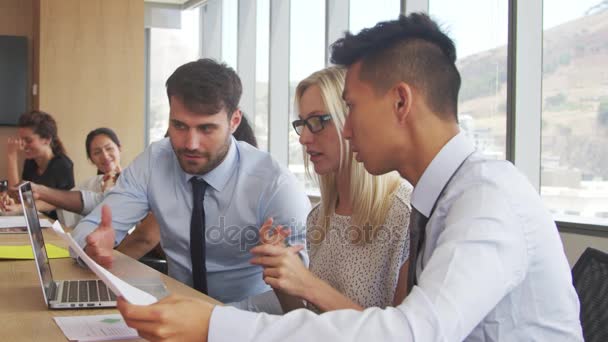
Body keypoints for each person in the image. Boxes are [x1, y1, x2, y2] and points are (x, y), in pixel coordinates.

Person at [117, 13, 583, 342]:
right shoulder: (440, 199)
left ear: (401, 102)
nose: (345, 128)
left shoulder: (486, 199)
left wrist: (216, 327)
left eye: (352, 108)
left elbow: (411, 333)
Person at [72, 58, 310, 303]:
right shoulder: (155, 161)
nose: (190, 144)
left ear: (234, 121)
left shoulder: (274, 184)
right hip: (175, 309)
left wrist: (215, 321)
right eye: (179, 126)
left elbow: (299, 296)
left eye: (206, 129)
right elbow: (90, 230)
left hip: (248, 321)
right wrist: (90, 247)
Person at [239, 66, 411, 314]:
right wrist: (282, 277)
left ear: (352, 120)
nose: (304, 138)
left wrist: (308, 284)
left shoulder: (403, 215)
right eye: (303, 123)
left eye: (318, 121)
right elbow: (307, 319)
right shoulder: (319, 217)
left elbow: (401, 335)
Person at [6, 110, 74, 219]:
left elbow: (57, 202)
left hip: (58, 224)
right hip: (37, 220)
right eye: (21, 140)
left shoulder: (63, 164)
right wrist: (11, 157)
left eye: (28, 140)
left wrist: (19, 208)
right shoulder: (31, 162)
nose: (22, 145)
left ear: (46, 140)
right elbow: (18, 195)